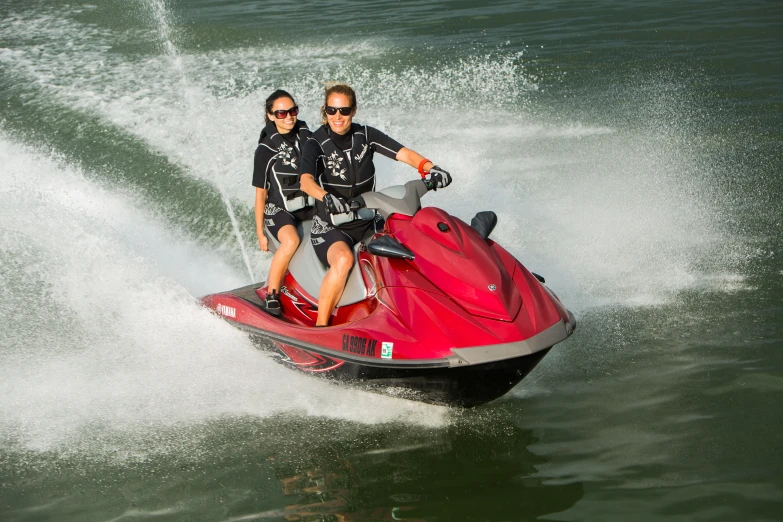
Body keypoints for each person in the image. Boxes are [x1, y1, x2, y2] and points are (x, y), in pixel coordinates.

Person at [299, 84, 452, 326]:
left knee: (411, 247)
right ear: (325, 111)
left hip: (368, 220)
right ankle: (321, 327)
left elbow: (404, 153)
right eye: (332, 110)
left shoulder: (366, 136)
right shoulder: (315, 142)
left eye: (344, 111)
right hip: (332, 227)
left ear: (354, 110)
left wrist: (430, 168)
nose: (337, 117)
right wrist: (325, 196)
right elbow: (306, 181)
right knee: (343, 260)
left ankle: (438, 308)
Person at [253, 89, 314, 316]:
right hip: (279, 209)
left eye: (293, 111)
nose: (288, 117)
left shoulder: (306, 135)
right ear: (270, 116)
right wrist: (260, 232)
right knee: (290, 241)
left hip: (308, 204)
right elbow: (260, 194)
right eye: (281, 113)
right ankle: (272, 293)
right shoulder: (265, 150)